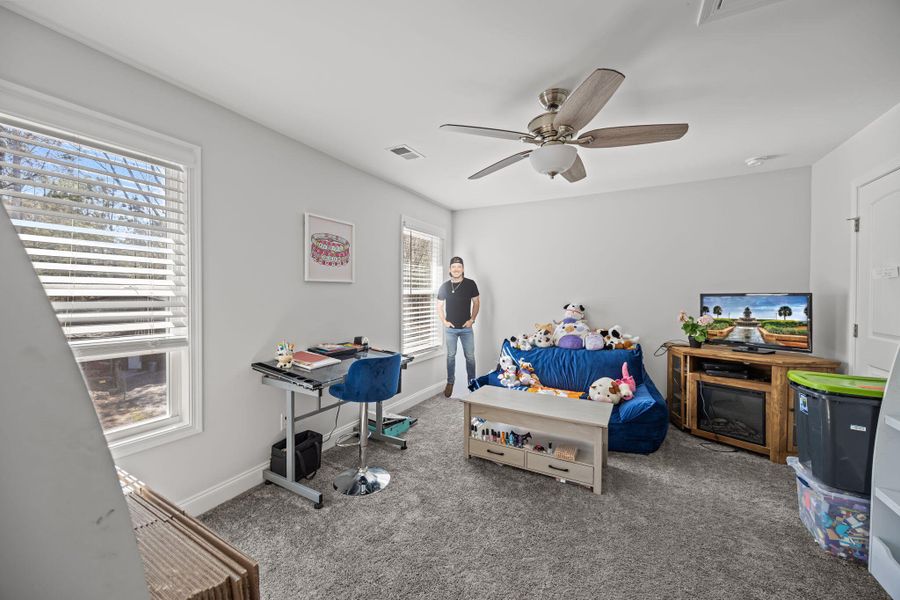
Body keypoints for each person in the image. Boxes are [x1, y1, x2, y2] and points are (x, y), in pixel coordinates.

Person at [436, 256, 480, 397]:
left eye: (459, 267)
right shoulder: (445, 286)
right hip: (450, 330)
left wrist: (472, 320)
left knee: (470, 357)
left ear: (463, 269)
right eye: (454, 267)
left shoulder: (470, 284)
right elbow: (439, 306)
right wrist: (444, 321)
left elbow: (476, 302)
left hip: (466, 328)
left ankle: (472, 382)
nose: (456, 269)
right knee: (450, 356)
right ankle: (450, 382)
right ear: (450, 269)